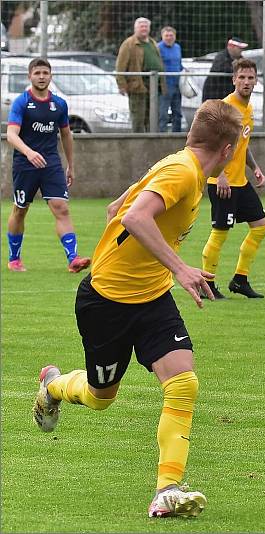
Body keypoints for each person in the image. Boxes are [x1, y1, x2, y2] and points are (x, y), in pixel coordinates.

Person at [32, 99, 242, 518]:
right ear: (229, 150)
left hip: (152, 300)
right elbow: (134, 218)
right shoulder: (181, 172)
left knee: (183, 382)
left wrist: (160, 266)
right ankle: (53, 385)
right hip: (105, 303)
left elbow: (117, 209)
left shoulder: (180, 167)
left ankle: (167, 489)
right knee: (99, 397)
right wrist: (180, 267)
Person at [5, 58, 91, 273]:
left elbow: (66, 134)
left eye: (45, 73)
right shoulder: (22, 103)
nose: (41, 76)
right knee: (20, 210)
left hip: (51, 163)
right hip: (25, 165)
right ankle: (14, 258)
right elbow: (11, 135)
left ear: (51, 76)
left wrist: (70, 165)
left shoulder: (59, 104)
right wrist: (29, 152)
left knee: (61, 208)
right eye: (37, 73)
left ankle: (73, 259)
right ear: (30, 76)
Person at [201, 59, 265, 299]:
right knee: (220, 233)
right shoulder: (226, 109)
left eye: (250, 78)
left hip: (240, 181)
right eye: (242, 77)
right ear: (233, 80)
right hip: (222, 183)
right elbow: (212, 145)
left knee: (260, 228)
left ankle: (240, 279)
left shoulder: (248, 109)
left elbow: (241, 145)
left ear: (256, 80)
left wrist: (255, 167)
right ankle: (206, 284)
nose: (246, 82)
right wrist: (219, 175)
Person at [116, 17, 167, 133]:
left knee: (152, 118)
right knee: (138, 119)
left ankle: (151, 144)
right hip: (138, 87)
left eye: (146, 26)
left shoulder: (153, 42)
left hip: (154, 87)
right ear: (135, 28)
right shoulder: (129, 44)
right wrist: (122, 84)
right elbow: (120, 66)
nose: (144, 29)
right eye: (141, 26)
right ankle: (138, 145)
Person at [202, 36, 249, 102]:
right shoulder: (220, 57)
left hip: (229, 95)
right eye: (239, 48)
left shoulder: (241, 59)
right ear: (231, 47)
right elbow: (219, 69)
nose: (241, 50)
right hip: (214, 94)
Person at [157, 26, 183, 132]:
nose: (169, 38)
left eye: (171, 35)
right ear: (162, 36)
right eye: (166, 35)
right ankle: (160, 137)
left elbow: (179, 64)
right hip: (165, 85)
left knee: (177, 112)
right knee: (163, 112)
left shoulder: (177, 47)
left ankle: (177, 135)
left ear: (175, 36)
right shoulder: (158, 48)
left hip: (177, 84)